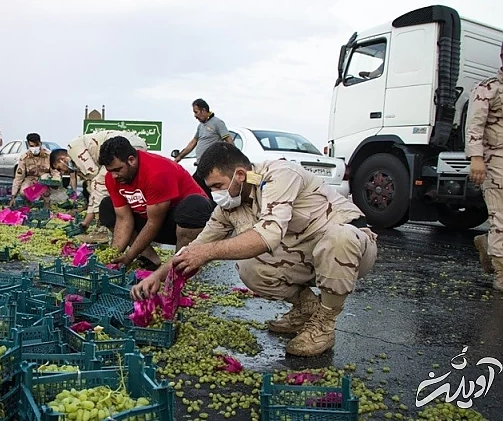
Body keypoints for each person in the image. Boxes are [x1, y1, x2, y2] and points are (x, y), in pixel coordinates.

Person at [131, 142, 378, 357]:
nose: (216, 194)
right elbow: (196, 247)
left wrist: (208, 253)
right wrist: (156, 276)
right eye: (211, 188)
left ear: (240, 175)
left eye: (218, 185)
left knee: (339, 237)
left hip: (351, 251)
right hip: (306, 258)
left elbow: (267, 236)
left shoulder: (279, 174)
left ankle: (324, 325)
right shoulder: (230, 206)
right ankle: (306, 308)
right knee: (250, 267)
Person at [97, 136, 213, 270]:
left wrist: (128, 257)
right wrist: (114, 256)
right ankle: (150, 260)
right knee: (107, 206)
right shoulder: (113, 178)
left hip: (187, 225)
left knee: (195, 204)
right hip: (153, 222)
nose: (114, 176)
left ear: (131, 160)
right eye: (110, 171)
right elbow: (123, 219)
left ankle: (180, 267)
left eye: (117, 170)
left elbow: (154, 222)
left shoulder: (157, 171)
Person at [50, 130, 148, 229]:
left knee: (100, 184)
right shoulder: (77, 165)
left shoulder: (73, 149)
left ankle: (101, 228)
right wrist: (85, 223)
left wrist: (92, 215)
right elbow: (93, 191)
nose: (61, 172)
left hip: (127, 145)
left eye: (59, 168)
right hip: (132, 147)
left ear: (62, 159)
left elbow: (95, 180)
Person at [467, 41, 503, 292]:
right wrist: (476, 158)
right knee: (500, 220)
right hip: (495, 164)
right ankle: (501, 274)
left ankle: (486, 243)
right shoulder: (488, 88)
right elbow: (475, 126)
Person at [173, 99, 233, 200]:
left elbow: (229, 140)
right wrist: (178, 157)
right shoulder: (200, 126)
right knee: (194, 189)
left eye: (196, 112)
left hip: (211, 166)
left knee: (204, 191)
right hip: (201, 166)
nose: (195, 116)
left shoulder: (217, 123)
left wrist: (232, 159)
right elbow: (193, 143)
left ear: (203, 110)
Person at [9, 133, 58, 207]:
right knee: (23, 192)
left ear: (40, 143)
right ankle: (29, 204)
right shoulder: (24, 157)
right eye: (32, 146)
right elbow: (18, 177)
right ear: (28, 145)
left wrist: (55, 181)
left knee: (46, 192)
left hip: (45, 180)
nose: (34, 148)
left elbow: (55, 171)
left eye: (36, 145)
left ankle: (46, 206)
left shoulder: (49, 155)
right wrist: (13, 196)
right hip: (31, 179)